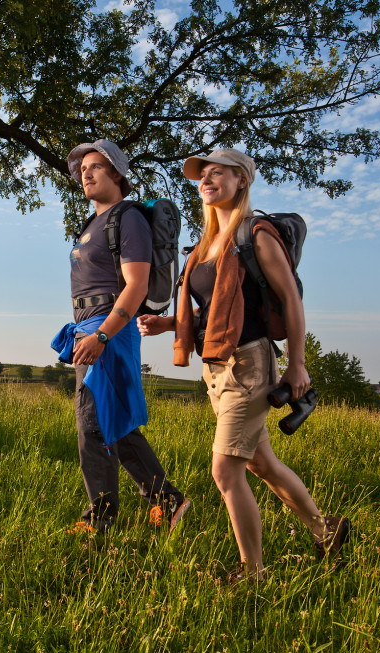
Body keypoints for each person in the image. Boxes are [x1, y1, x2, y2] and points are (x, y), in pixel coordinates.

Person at [137, 148, 350, 583]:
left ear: (242, 182)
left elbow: (291, 298)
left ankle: (252, 573)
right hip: (216, 369)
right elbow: (214, 309)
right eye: (203, 176)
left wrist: (297, 364)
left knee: (225, 469)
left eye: (218, 174)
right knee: (261, 464)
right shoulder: (202, 247)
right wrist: (167, 324)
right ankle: (325, 531)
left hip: (250, 364)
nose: (207, 180)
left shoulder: (257, 233)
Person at [52, 139, 190, 535]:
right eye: (82, 169)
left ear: (117, 174)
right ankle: (168, 501)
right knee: (109, 421)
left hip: (107, 327)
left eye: (95, 166)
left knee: (93, 421)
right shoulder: (92, 223)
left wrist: (104, 336)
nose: (86, 173)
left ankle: (101, 521)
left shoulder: (127, 218)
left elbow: (136, 285)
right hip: (88, 325)